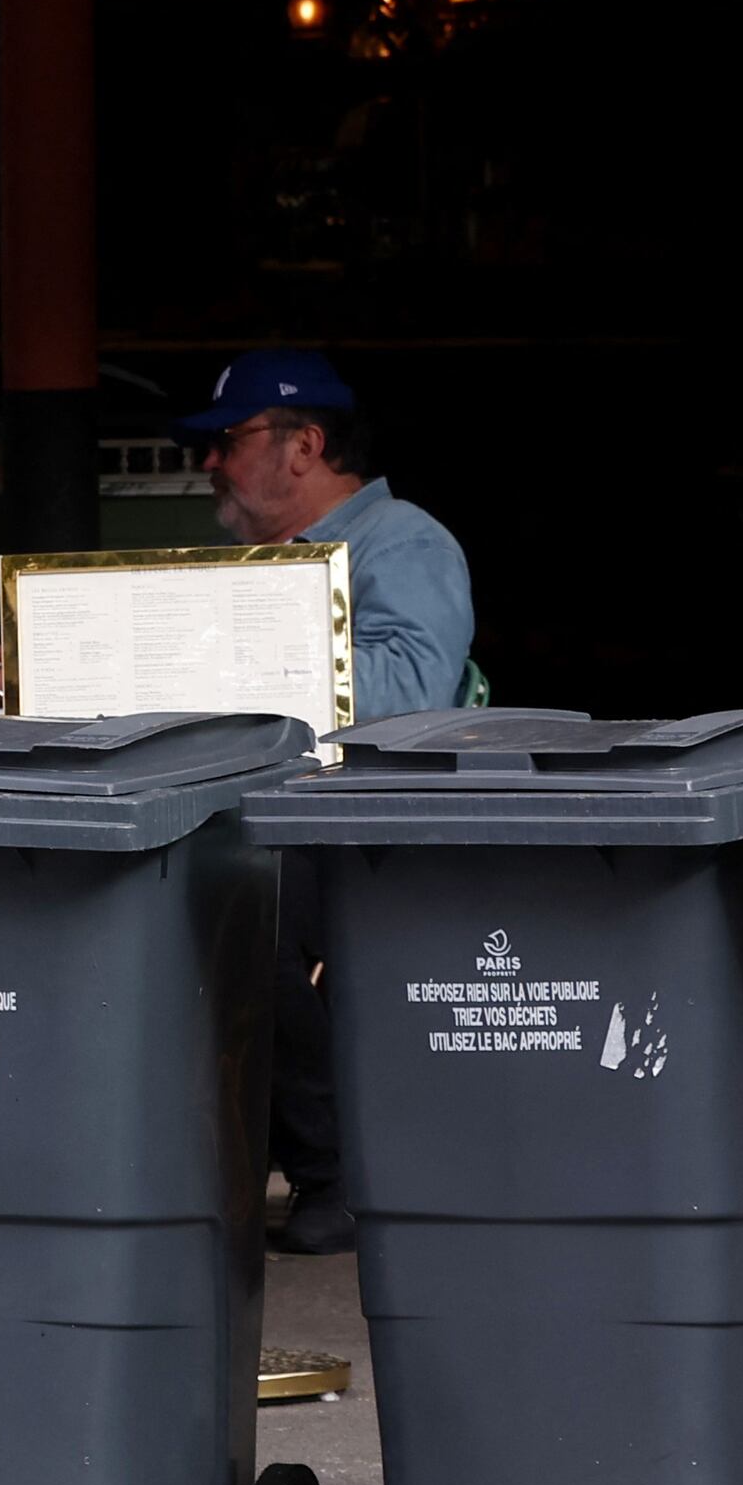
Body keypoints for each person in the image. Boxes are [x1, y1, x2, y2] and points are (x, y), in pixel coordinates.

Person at [186, 351, 476, 1259]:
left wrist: (239, 651)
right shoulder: (251, 562)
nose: (211, 465)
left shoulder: (402, 539)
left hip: (355, 820)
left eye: (228, 441)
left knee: (250, 911)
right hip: (242, 809)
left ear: (304, 442)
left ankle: (335, 1170)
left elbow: (411, 692)